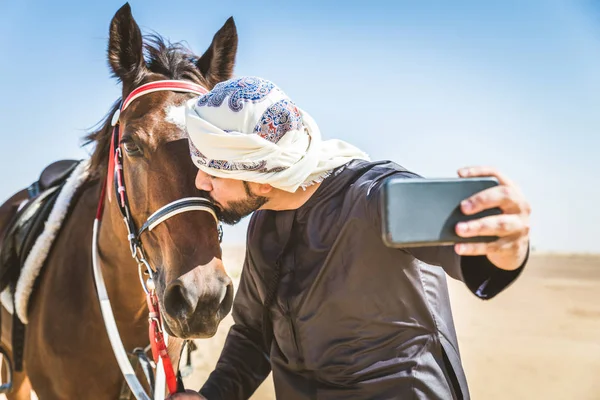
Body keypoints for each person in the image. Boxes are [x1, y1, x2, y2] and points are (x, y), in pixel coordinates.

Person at [168, 77, 531, 400]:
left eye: (212, 170)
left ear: (262, 178)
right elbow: (254, 336)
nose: (201, 183)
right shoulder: (264, 223)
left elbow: (477, 252)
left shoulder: (378, 198)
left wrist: (508, 245)